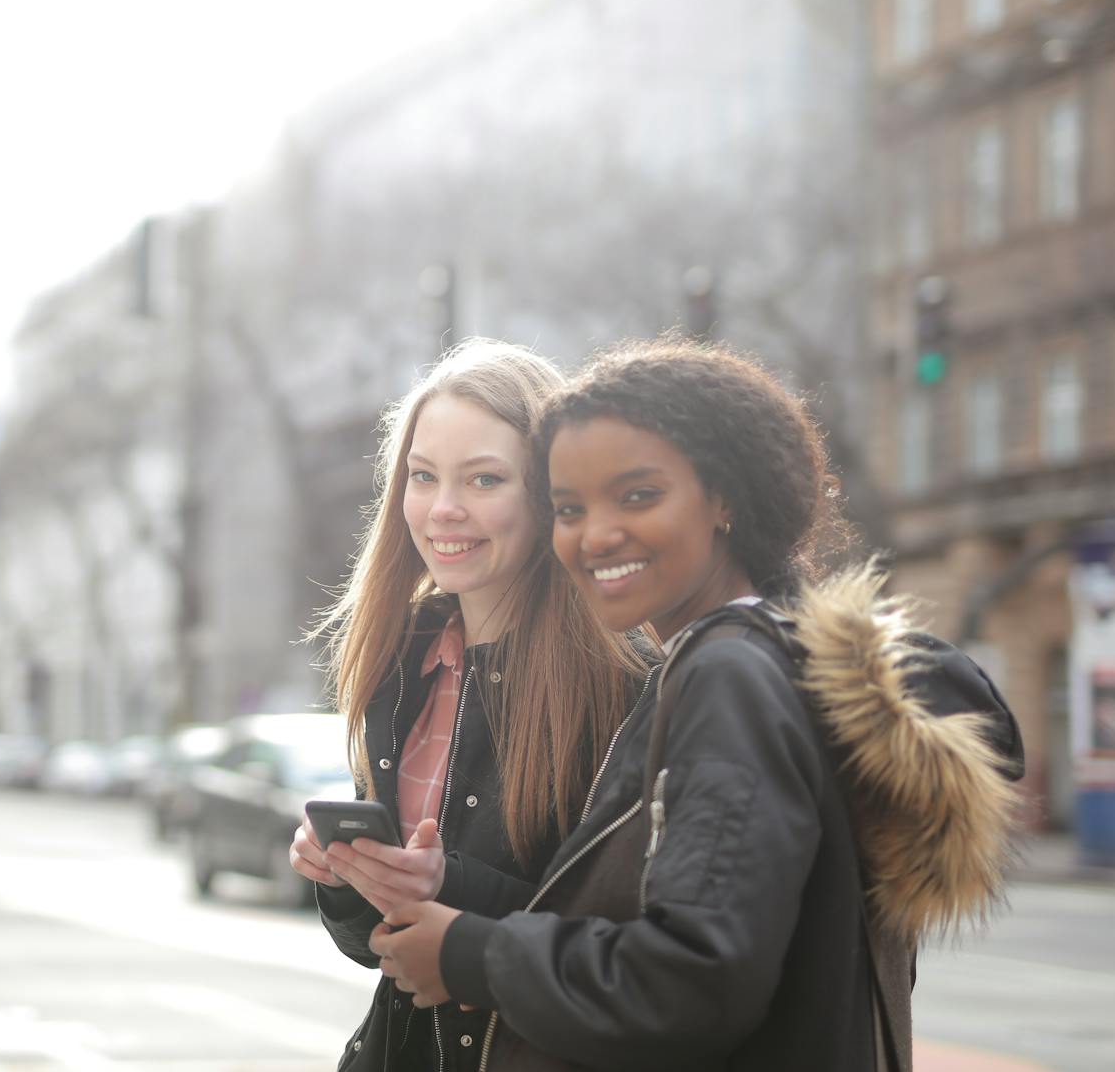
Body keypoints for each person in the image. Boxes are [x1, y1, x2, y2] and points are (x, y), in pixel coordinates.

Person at [371, 336, 1025, 1072]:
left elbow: (695, 975)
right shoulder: (783, 661)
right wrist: (451, 897)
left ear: (725, 498)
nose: (597, 533)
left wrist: (471, 955)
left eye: (638, 495)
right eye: (569, 506)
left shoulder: (730, 675)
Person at [289, 339, 649, 1071]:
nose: (443, 509)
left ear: (550, 492)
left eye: (484, 479)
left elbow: (631, 948)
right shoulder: (400, 659)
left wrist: (444, 885)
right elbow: (379, 950)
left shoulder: (624, 678)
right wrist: (349, 877)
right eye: (423, 476)